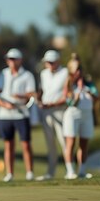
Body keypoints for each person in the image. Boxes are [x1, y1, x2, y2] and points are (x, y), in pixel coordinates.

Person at [0, 48, 36, 182]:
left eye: (13, 59)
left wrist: (21, 96)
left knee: (25, 144)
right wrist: (4, 104)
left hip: (21, 113)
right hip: (5, 115)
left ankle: (29, 172)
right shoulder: (3, 74)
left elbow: (32, 94)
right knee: (8, 145)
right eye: (8, 59)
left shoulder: (27, 75)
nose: (10, 61)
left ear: (20, 60)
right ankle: (9, 174)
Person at [62, 54, 96, 180]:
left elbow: (97, 97)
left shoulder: (89, 82)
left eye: (80, 69)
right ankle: (70, 171)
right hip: (72, 115)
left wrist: (90, 93)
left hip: (87, 115)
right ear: (72, 72)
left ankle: (82, 171)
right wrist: (78, 93)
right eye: (76, 70)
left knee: (84, 143)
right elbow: (70, 103)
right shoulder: (69, 85)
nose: (79, 72)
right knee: (70, 142)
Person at [35, 50, 67, 181]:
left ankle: (69, 170)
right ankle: (51, 172)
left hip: (61, 111)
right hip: (46, 112)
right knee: (50, 144)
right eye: (47, 62)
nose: (49, 64)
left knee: (64, 141)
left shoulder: (65, 72)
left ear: (57, 61)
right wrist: (38, 98)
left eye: (51, 62)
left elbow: (66, 92)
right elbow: (41, 90)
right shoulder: (43, 74)